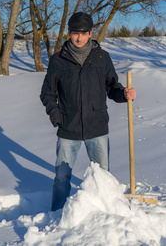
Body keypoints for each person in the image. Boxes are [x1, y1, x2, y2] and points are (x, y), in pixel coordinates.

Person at [40, 12, 136, 211]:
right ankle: (57, 213)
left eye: (84, 33)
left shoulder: (102, 57)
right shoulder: (58, 60)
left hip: (97, 126)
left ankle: (105, 212)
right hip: (68, 127)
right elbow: (47, 93)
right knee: (62, 177)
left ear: (91, 33)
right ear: (69, 32)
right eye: (75, 33)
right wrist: (56, 116)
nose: (79, 38)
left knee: (103, 176)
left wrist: (124, 94)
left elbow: (112, 88)